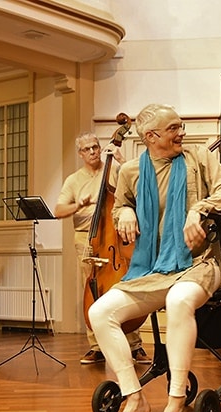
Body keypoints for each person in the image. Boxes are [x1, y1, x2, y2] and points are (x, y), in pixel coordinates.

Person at [88, 103, 221, 412]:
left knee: (178, 300)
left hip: (199, 265)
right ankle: (134, 396)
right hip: (153, 269)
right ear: (150, 136)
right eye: (173, 128)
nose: (181, 133)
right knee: (99, 312)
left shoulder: (199, 158)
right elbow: (121, 205)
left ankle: (175, 401)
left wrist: (199, 208)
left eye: (180, 126)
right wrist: (125, 212)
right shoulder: (131, 171)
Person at [55, 132, 150, 365]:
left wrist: (121, 159)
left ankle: (135, 345)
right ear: (80, 153)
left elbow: (138, 184)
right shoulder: (73, 180)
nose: (93, 152)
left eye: (95, 147)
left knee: (126, 286)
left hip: (115, 237)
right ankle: (96, 347)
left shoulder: (115, 170)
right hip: (87, 239)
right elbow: (58, 211)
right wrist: (79, 205)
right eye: (87, 149)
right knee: (92, 289)